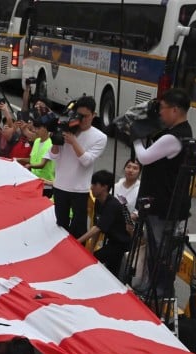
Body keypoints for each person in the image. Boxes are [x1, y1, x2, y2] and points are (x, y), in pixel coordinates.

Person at [132, 88, 192, 298]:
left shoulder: (173, 137)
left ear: (175, 110)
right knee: (157, 251)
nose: (160, 113)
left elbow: (145, 158)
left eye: (163, 109)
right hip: (168, 203)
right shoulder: (183, 132)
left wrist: (136, 137)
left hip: (163, 205)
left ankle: (157, 292)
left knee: (158, 253)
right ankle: (154, 288)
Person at [49, 96, 107, 238]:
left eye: (85, 116)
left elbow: (86, 161)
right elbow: (53, 156)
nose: (81, 119)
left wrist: (74, 142)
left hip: (79, 189)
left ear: (94, 115)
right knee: (60, 225)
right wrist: (56, 140)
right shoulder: (68, 128)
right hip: (60, 185)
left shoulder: (100, 137)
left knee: (78, 229)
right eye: (78, 115)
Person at [78, 169, 131, 276]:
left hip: (121, 244)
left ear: (104, 187)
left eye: (94, 184)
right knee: (105, 267)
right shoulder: (98, 201)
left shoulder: (112, 205)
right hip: (112, 242)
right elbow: (96, 227)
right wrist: (91, 250)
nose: (91, 187)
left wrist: (77, 241)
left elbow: (97, 228)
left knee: (104, 265)